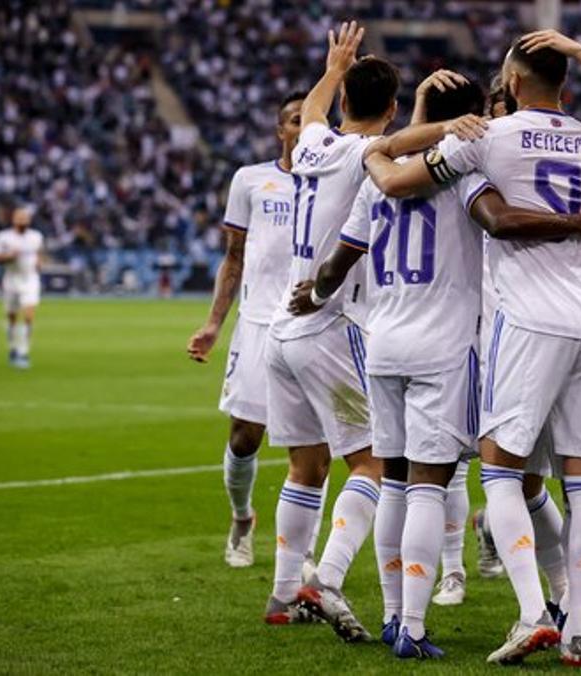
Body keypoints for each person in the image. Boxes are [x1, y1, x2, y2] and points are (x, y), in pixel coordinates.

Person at [294, 75, 581, 659]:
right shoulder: (464, 174)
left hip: (383, 344)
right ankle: (412, 627)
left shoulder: (377, 179)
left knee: (392, 482)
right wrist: (575, 222)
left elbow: (336, 267)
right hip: (444, 349)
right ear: (471, 123)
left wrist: (313, 297)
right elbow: (501, 222)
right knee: (428, 489)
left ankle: (392, 614)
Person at [362, 35, 581, 666]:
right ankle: (578, 632)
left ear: (514, 84)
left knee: (501, 470)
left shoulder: (489, 138)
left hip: (525, 323)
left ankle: (528, 615)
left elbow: (397, 177)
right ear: (566, 84)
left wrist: (385, 147)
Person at [259, 21, 392, 642]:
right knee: (373, 462)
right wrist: (443, 122)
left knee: (305, 467)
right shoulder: (372, 155)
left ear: (343, 104)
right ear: (390, 110)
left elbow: (312, 108)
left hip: (280, 332)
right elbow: (399, 145)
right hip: (330, 322)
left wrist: (334, 66)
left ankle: (283, 595)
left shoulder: (311, 144)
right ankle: (328, 576)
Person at [185, 92, 329, 571]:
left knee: (314, 445)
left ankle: (304, 549)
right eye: (294, 120)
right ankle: (242, 517)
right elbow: (235, 257)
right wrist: (212, 324)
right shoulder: (251, 180)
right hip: (259, 324)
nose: (302, 127)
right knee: (245, 437)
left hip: (314, 325)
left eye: (309, 120)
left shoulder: (331, 179)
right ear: (281, 131)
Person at [0, 206, 44, 368]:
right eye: (19, 218)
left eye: (25, 218)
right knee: (12, 318)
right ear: (13, 220)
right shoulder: (4, 237)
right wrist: (9, 256)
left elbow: (38, 254)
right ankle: (13, 347)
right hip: (11, 279)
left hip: (30, 279)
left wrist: (39, 263)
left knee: (28, 315)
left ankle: (23, 351)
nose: (22, 221)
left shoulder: (36, 236)